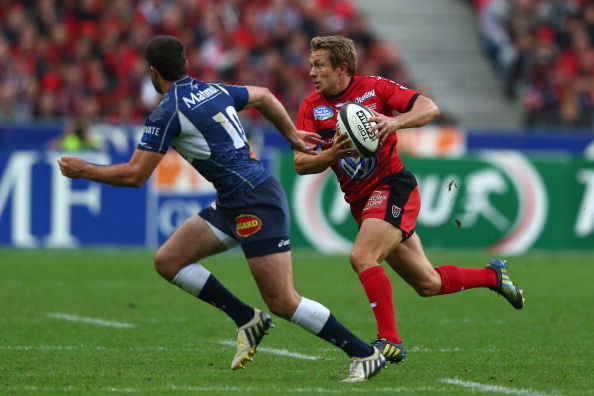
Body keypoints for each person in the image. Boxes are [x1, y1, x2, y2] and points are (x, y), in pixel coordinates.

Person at [57, 35, 386, 383]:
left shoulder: (168, 111)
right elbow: (263, 95)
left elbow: (135, 175)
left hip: (253, 201)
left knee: (283, 300)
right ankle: (247, 318)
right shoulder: (213, 89)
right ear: (185, 63)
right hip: (237, 198)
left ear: (153, 72)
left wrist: (84, 170)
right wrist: (291, 135)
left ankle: (363, 354)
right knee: (169, 260)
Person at [294, 35, 525, 365]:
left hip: (392, 186)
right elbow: (300, 164)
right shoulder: (309, 107)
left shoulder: (374, 88)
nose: (312, 72)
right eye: (311, 65)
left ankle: (390, 342)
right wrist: (329, 153)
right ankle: (493, 276)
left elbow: (428, 107)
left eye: (319, 65)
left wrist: (394, 121)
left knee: (362, 256)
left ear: (342, 68)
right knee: (428, 283)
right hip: (361, 202)